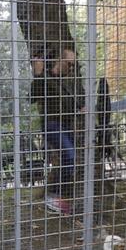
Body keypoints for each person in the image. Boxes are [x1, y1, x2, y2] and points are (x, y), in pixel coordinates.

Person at [31, 47, 85, 215]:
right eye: (69, 64)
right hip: (53, 125)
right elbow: (33, 96)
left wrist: (81, 108)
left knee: (70, 159)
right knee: (70, 156)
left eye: (73, 65)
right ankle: (53, 196)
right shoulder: (46, 78)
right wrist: (38, 74)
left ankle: (58, 196)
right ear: (59, 61)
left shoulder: (65, 83)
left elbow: (73, 104)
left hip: (66, 125)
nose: (71, 68)